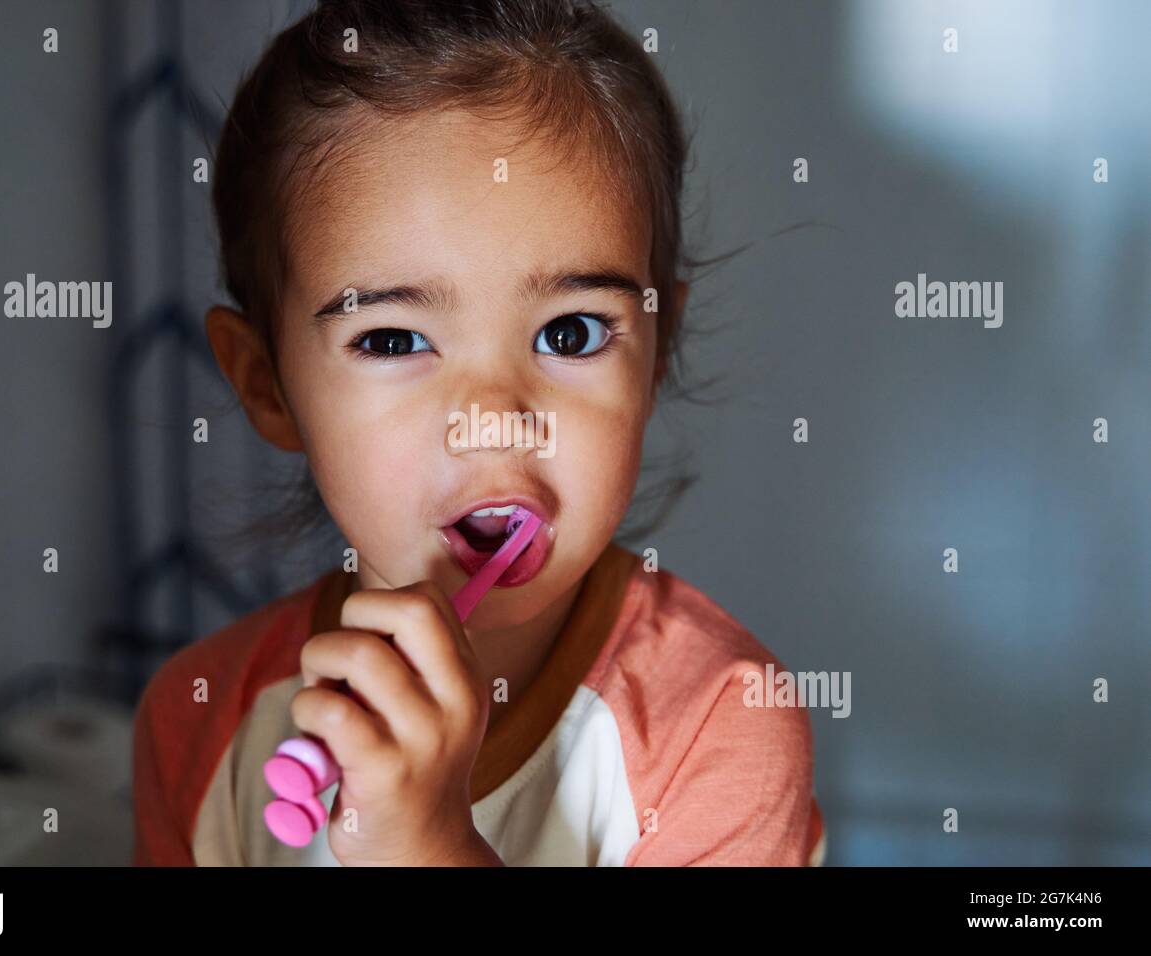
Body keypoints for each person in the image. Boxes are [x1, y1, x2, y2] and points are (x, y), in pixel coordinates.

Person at [132, 0, 826, 867]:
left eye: (569, 333)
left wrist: (428, 846)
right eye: (391, 339)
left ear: (657, 354)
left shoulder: (722, 728)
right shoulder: (195, 722)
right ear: (266, 386)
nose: (495, 416)